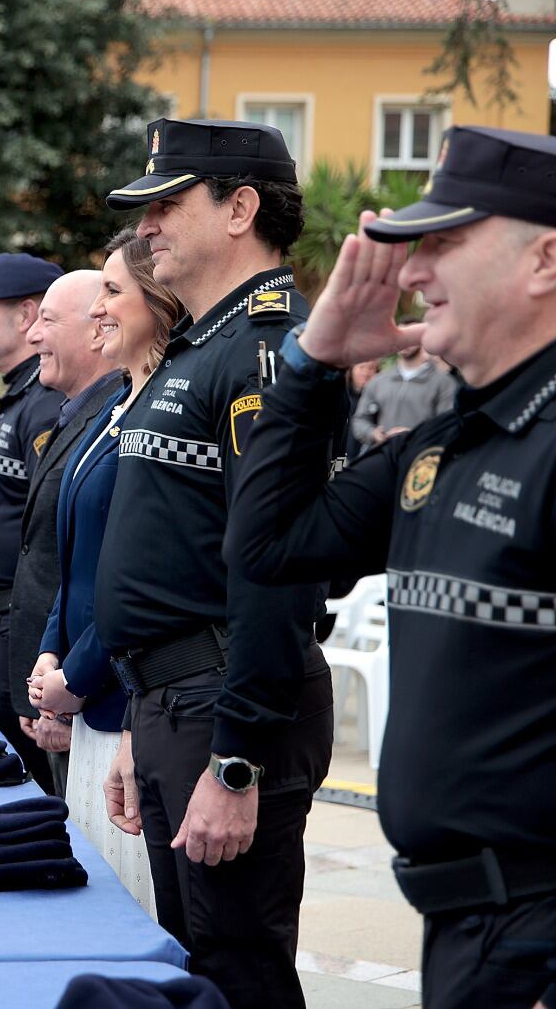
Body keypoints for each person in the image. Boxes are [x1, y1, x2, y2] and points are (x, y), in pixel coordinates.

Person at [223, 124, 556, 1009]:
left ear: (545, 261)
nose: (410, 274)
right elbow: (266, 547)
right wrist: (312, 362)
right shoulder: (448, 445)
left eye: (443, 244)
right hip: (469, 934)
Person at [96, 118, 334, 1009]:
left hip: (228, 701)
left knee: (237, 975)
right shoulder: (202, 343)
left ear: (240, 208)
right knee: (190, 971)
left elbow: (279, 573)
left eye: (166, 204)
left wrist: (237, 762)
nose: (147, 225)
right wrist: (135, 716)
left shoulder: (270, 351)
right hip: (173, 701)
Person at [29, 232, 183, 917]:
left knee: (132, 912)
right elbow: (79, 556)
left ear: (159, 301)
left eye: (113, 294)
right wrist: (51, 655)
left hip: (124, 698)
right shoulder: (115, 405)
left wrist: (77, 678)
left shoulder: (164, 409)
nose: (99, 313)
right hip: (88, 694)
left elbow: (141, 572)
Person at [3, 268, 123, 796]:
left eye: (46, 320)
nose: (32, 336)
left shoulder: (118, 413)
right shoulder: (84, 413)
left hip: (94, 692)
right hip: (58, 680)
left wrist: (69, 684)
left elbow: (108, 575)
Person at [0, 253, 65, 791]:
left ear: (26, 316)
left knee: (35, 791)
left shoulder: (44, 403)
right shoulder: (23, 396)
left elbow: (47, 542)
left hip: (17, 623)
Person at [349, 324, 457, 454]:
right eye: (399, 336)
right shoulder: (379, 380)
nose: (404, 342)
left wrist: (414, 435)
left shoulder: (443, 383)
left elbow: (449, 426)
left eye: (410, 337)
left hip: (421, 461)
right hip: (383, 457)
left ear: (423, 339)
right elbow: (360, 420)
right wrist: (373, 433)